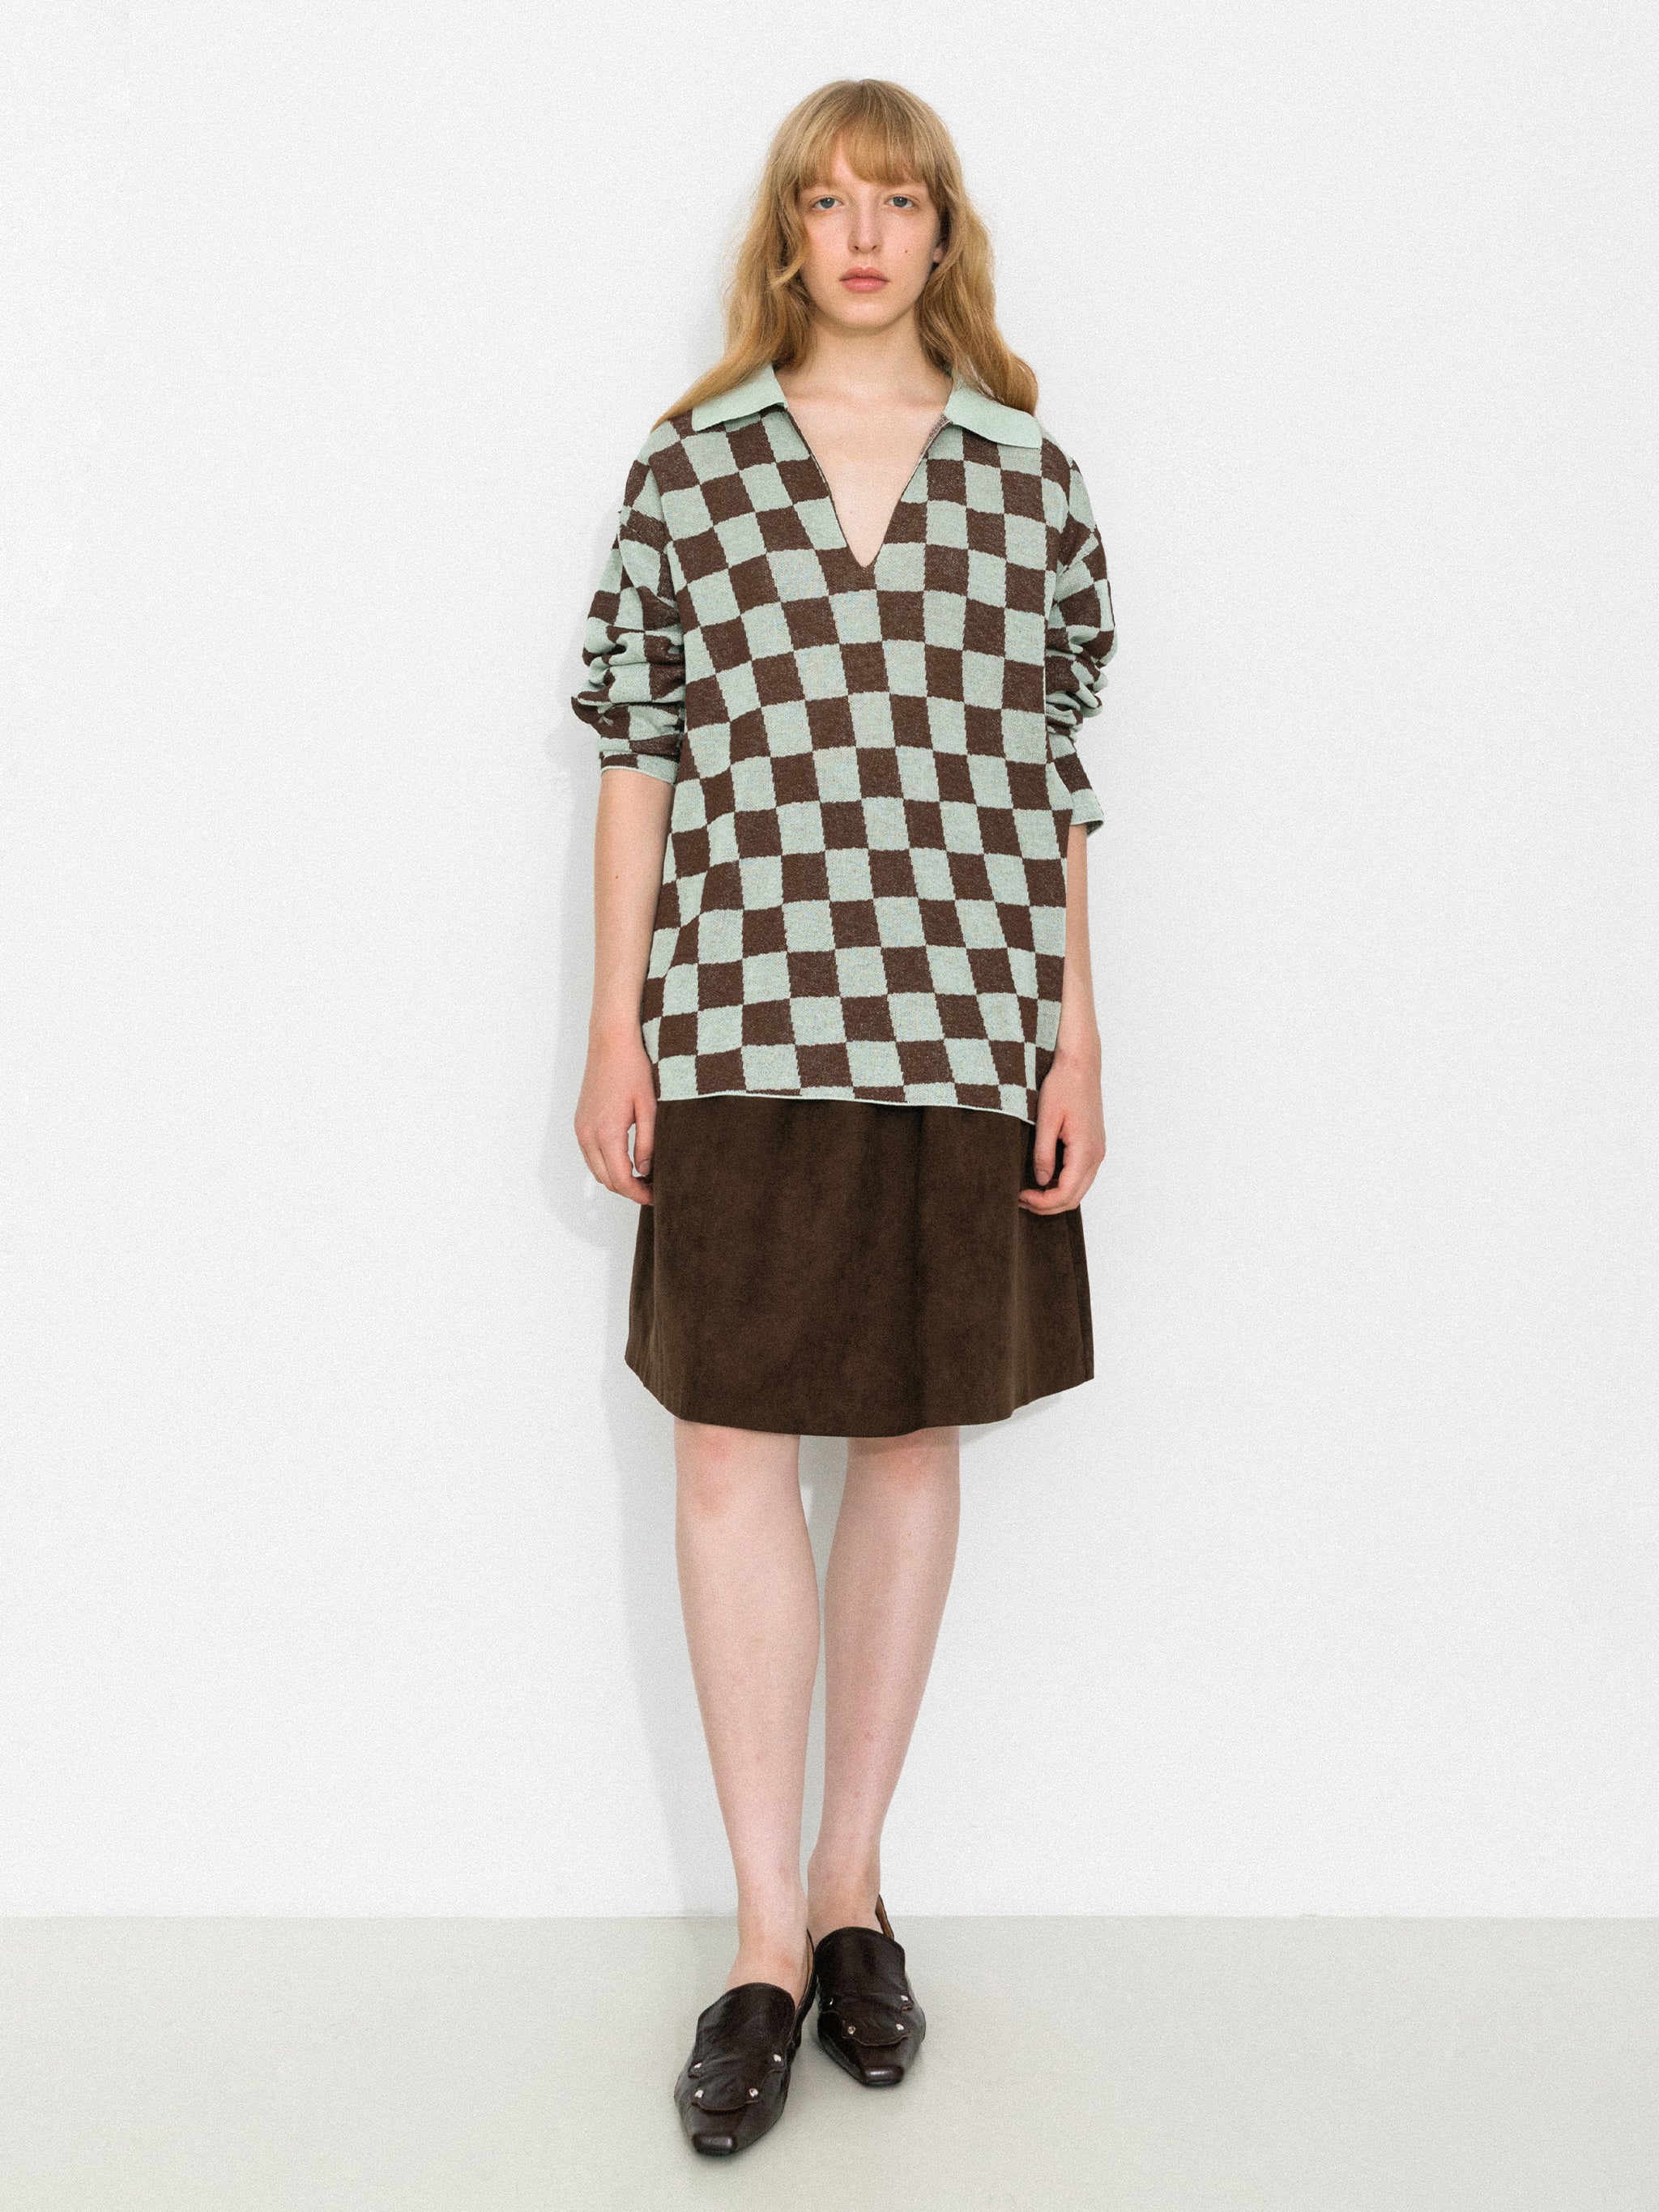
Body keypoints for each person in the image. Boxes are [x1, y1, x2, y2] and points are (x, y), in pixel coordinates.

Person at [570, 75, 1116, 2155]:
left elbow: (1055, 781)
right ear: (787, 232)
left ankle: (851, 1889)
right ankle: (757, 1945)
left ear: (941, 231)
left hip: (963, 1022)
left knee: (906, 1434)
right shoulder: (692, 468)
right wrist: (612, 1030)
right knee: (728, 1445)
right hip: (735, 1018)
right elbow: (636, 751)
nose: (864, 235)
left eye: (898, 201)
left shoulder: (1028, 477)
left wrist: (1076, 1038)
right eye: (828, 200)